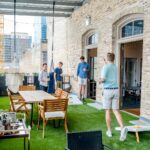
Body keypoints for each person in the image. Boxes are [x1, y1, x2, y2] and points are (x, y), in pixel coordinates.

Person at [99, 52, 128, 141]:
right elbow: (109, 68)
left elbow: (103, 79)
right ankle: (122, 128)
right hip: (115, 90)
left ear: (107, 59)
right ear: (113, 59)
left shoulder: (105, 67)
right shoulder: (115, 67)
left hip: (108, 91)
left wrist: (99, 81)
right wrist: (105, 62)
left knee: (108, 111)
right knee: (116, 110)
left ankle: (109, 131)